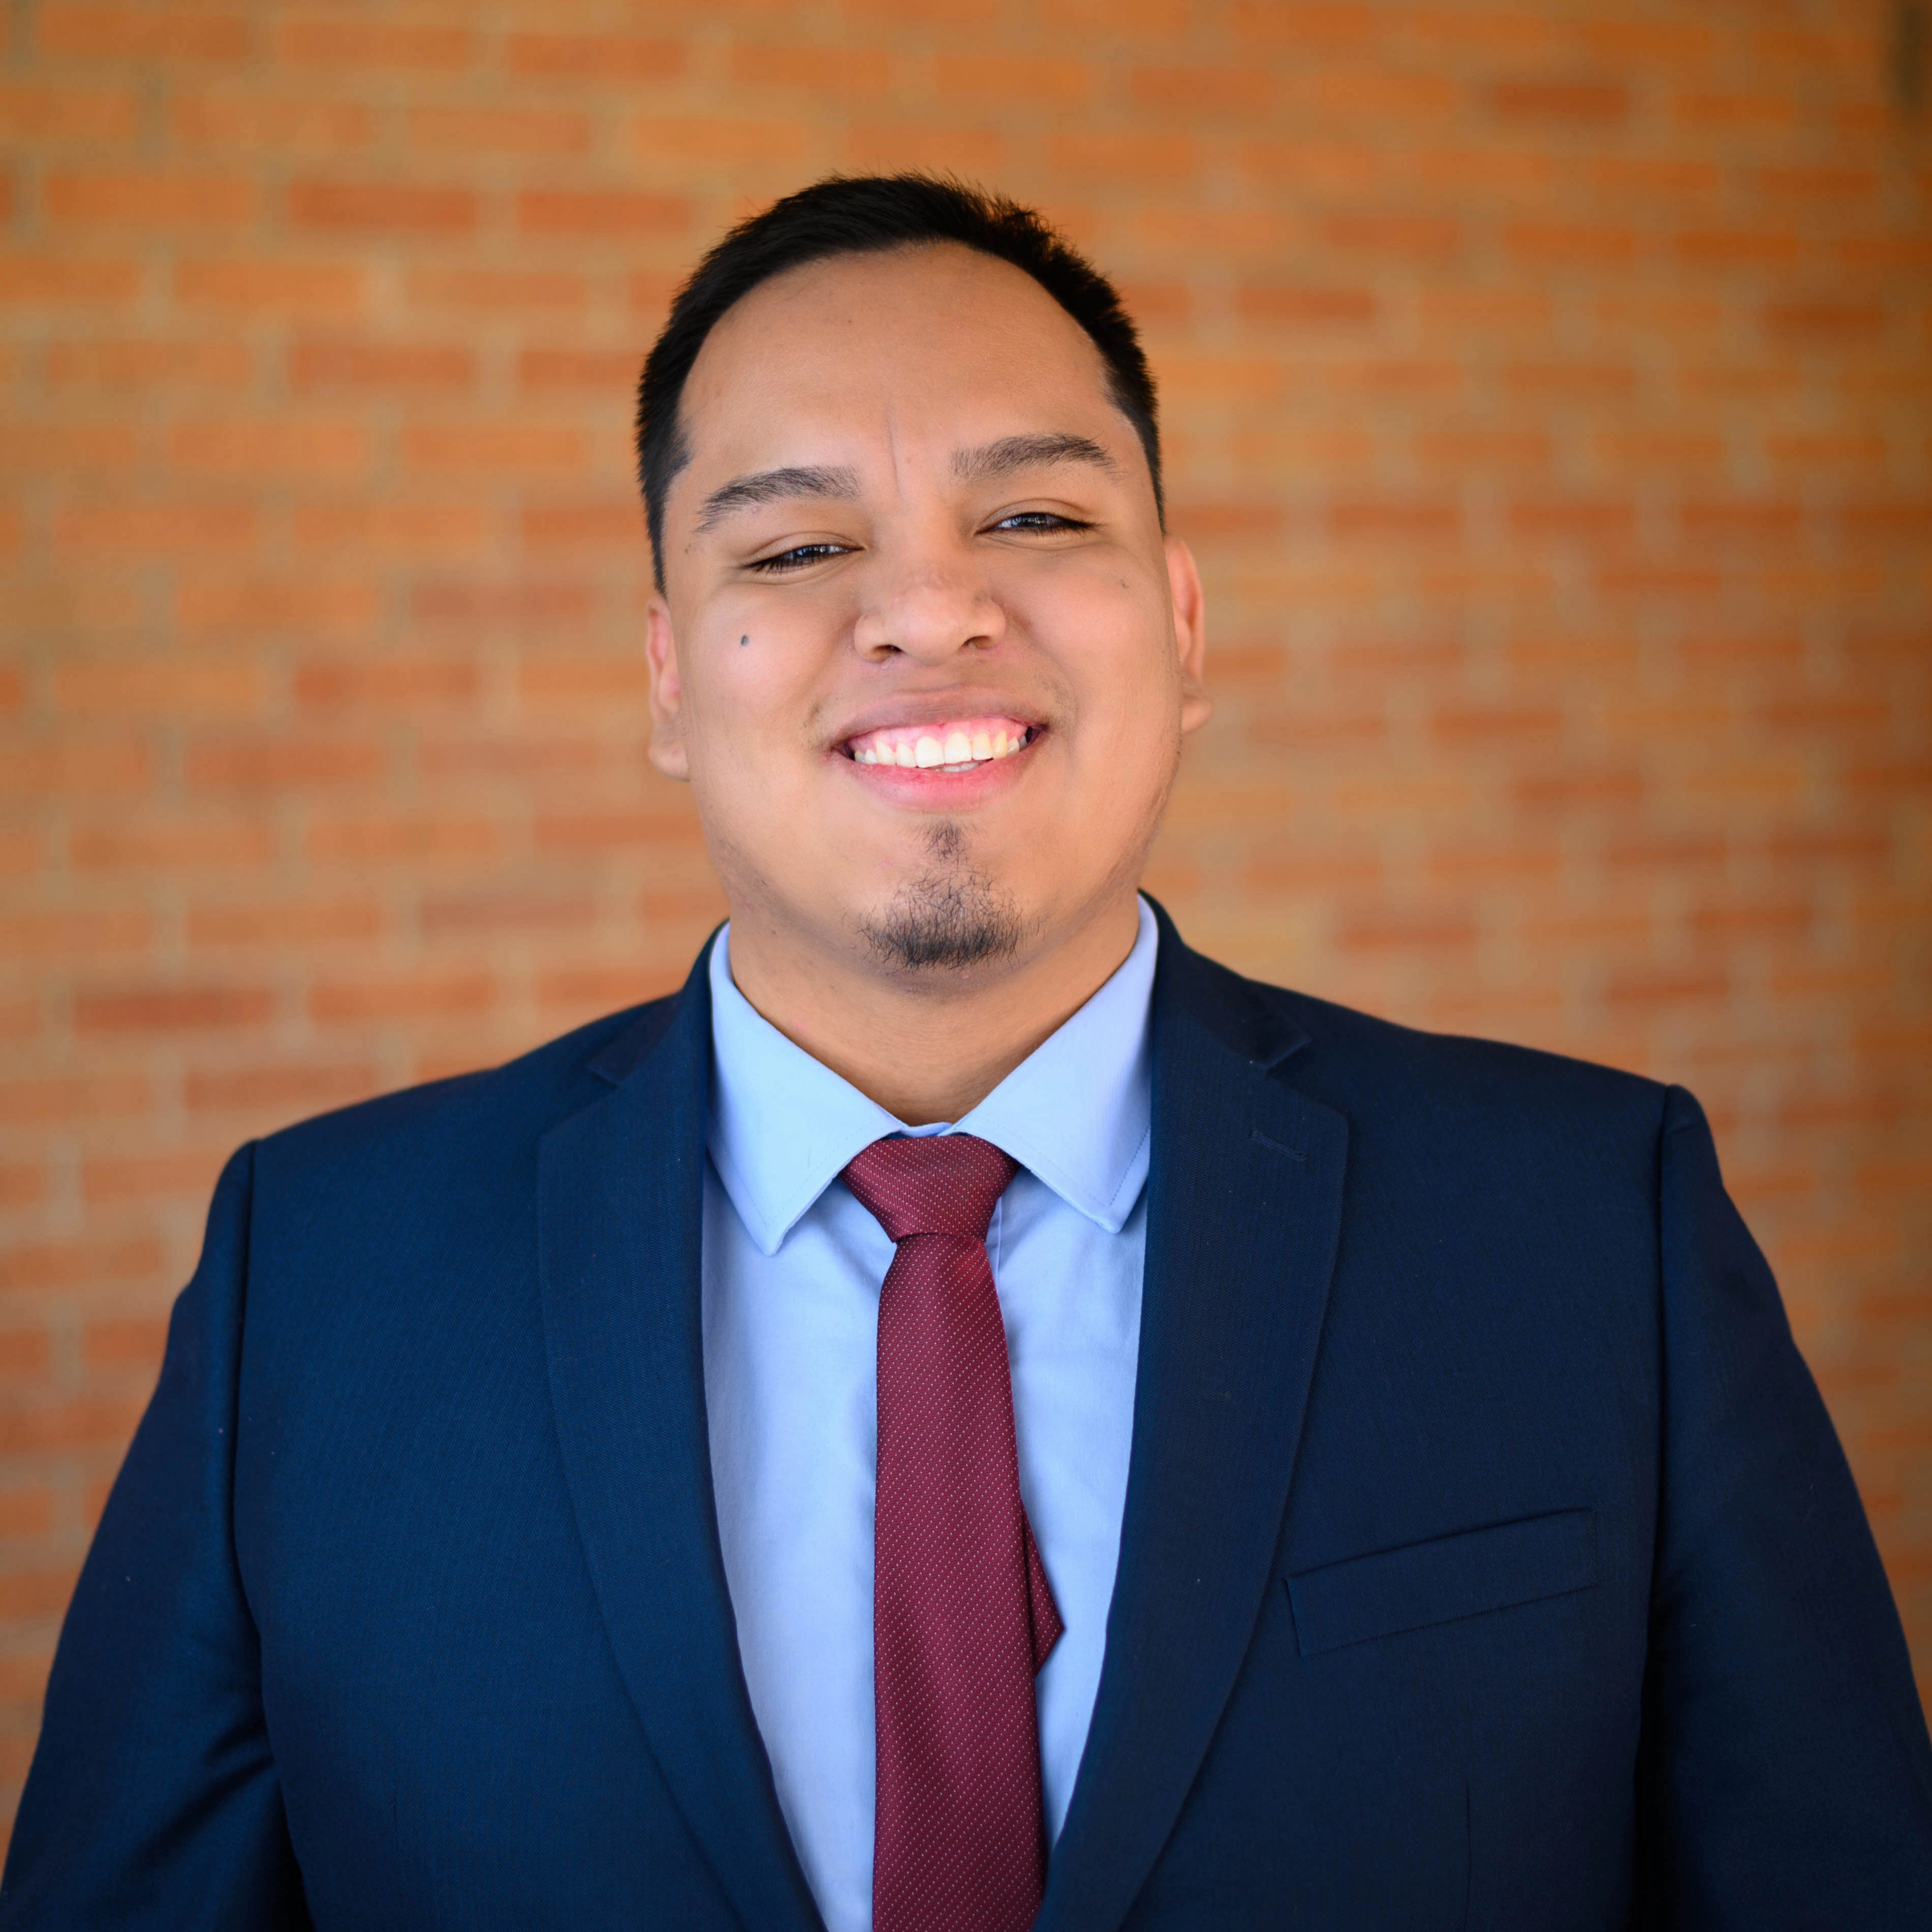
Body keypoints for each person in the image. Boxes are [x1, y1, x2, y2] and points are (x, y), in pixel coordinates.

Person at [5, 174, 1929, 1932]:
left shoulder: (1593, 1227)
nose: (929, 606)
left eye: (1033, 513)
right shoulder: (319, 1284)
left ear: (1181, 625)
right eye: (793, 548)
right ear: (669, 676)